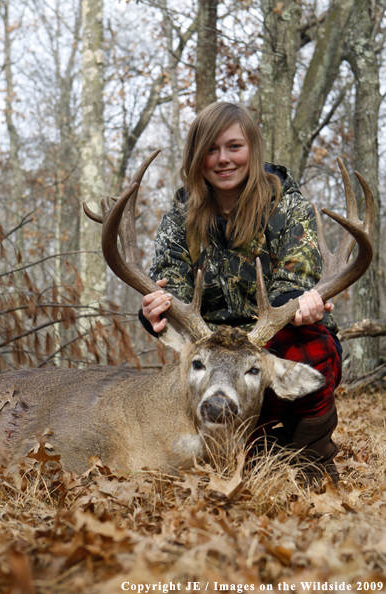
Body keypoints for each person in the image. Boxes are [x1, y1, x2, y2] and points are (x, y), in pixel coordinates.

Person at [139, 101, 342, 483]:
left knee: (314, 349)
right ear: (197, 158)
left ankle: (312, 461)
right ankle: (261, 451)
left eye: (234, 147)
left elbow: (296, 274)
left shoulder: (287, 207)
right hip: (212, 351)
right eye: (211, 150)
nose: (223, 159)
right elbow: (170, 283)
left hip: (273, 342)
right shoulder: (181, 219)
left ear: (253, 148)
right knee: (231, 456)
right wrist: (156, 310)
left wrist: (298, 303)